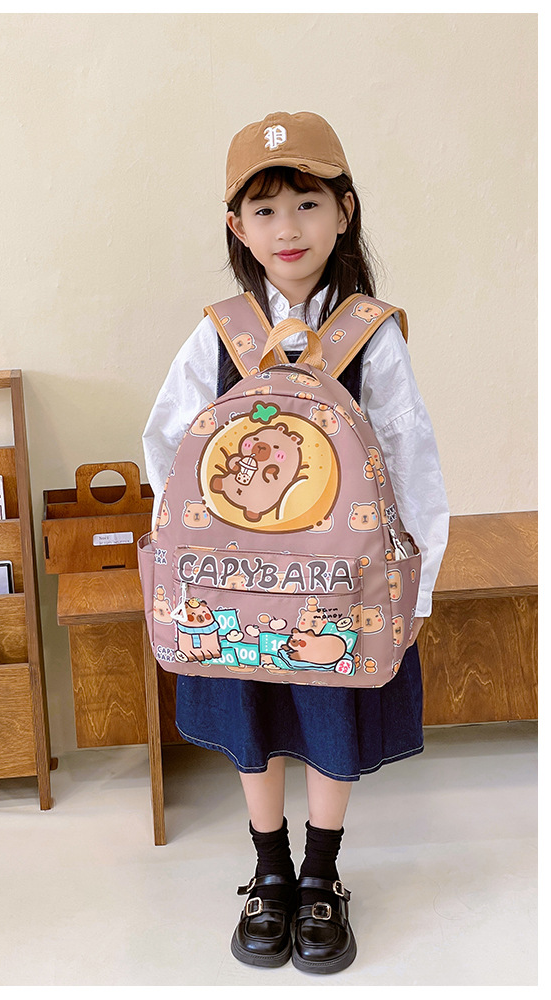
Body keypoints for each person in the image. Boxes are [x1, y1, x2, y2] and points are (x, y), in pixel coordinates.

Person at [142, 111, 449, 975]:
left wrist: (417, 585)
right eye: (266, 210)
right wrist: (193, 549)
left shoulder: (370, 335)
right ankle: (269, 870)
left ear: (344, 212)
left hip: (341, 584)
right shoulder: (218, 333)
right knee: (252, 712)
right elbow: (166, 443)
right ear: (237, 227)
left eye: (308, 204)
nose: (289, 228)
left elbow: (413, 462)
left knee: (330, 711)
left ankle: (322, 874)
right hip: (233, 581)